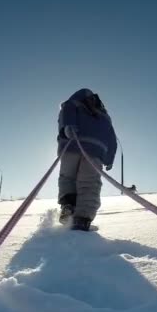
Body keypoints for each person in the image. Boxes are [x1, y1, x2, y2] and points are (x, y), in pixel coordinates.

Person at [57, 88, 117, 231]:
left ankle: (68, 204)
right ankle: (82, 218)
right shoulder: (105, 117)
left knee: (67, 177)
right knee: (89, 184)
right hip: (95, 152)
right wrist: (109, 159)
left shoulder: (72, 104)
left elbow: (66, 112)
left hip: (71, 146)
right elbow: (111, 140)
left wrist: (67, 127)